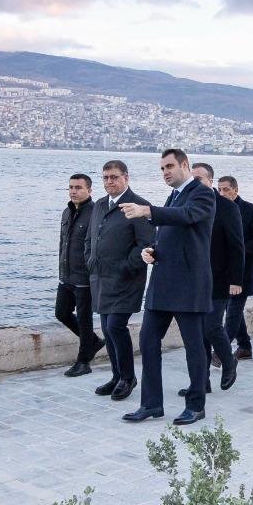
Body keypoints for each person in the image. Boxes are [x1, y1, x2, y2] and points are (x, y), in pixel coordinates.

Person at [119, 148, 214, 426]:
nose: (165, 172)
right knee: (148, 340)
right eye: (162, 168)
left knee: (194, 346)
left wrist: (146, 210)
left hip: (189, 285)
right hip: (162, 284)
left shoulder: (202, 193)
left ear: (185, 165)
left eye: (169, 166)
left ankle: (196, 405)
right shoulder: (173, 196)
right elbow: (173, 235)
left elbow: (187, 216)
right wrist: (153, 250)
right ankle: (151, 404)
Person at [85, 160, 153, 401]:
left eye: (114, 177)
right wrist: (89, 260)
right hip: (101, 279)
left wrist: (126, 266)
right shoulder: (99, 205)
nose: (109, 181)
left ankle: (127, 378)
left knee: (115, 326)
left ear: (126, 178)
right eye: (105, 177)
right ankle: (116, 376)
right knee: (106, 328)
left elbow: (146, 243)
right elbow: (90, 237)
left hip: (126, 280)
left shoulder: (138, 205)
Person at [191, 162, 243, 396]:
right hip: (194, 279)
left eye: (199, 179)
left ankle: (229, 362)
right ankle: (202, 382)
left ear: (210, 181)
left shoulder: (226, 207)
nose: (194, 183)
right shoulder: (187, 203)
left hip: (220, 278)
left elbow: (237, 246)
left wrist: (236, 280)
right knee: (198, 332)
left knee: (211, 326)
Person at [55, 173, 102, 376]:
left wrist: (93, 272)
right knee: (61, 313)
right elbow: (63, 243)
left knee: (84, 319)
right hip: (66, 275)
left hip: (84, 277)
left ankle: (84, 362)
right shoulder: (67, 212)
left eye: (78, 188)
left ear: (89, 190)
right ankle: (94, 342)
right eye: (71, 187)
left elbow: (97, 246)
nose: (73, 191)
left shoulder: (95, 213)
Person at [219, 176, 253, 360]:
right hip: (224, 271)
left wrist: (239, 251)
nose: (222, 193)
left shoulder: (250, 210)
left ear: (235, 190)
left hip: (244, 270)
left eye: (226, 189)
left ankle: (221, 350)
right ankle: (245, 346)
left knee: (233, 311)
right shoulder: (217, 209)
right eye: (219, 190)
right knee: (230, 309)